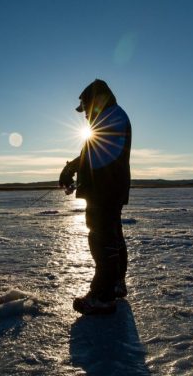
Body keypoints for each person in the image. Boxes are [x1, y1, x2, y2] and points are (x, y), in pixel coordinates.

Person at [59, 79, 132, 315]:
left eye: (85, 108)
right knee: (112, 237)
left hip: (106, 191)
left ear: (93, 101)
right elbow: (93, 154)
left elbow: (98, 156)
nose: (85, 115)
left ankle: (102, 295)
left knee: (102, 241)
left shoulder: (111, 118)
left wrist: (73, 169)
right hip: (109, 189)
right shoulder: (111, 116)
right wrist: (72, 168)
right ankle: (116, 285)